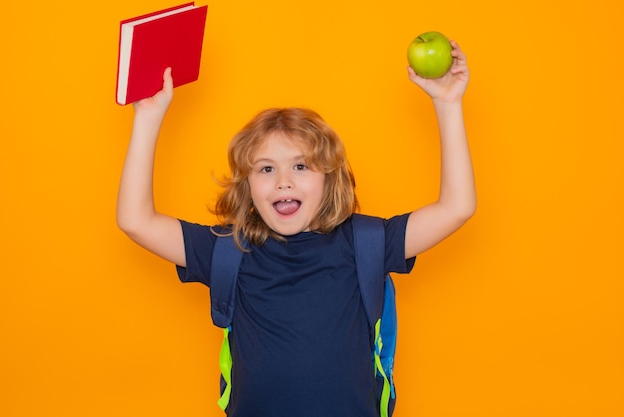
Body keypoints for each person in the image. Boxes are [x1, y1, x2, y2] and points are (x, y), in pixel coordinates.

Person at [117, 40, 475, 417]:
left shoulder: (367, 242)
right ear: (248, 185)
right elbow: (135, 220)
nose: (284, 181)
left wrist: (448, 105)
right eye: (266, 168)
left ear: (329, 179)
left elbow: (457, 207)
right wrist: (148, 117)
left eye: (301, 166)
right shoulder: (226, 249)